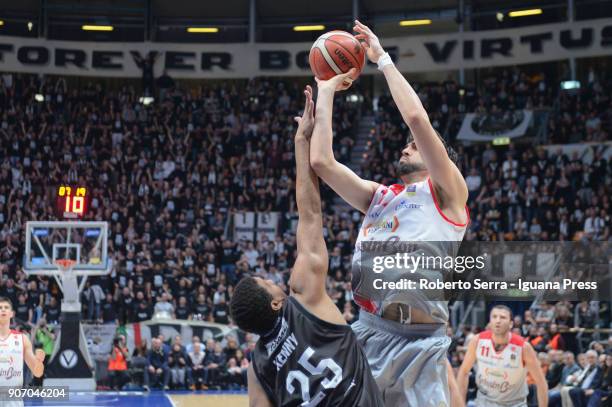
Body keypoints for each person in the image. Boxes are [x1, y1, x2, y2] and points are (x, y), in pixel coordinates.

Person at [310, 19, 468, 406]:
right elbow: (321, 162)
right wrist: (326, 88)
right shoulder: (380, 196)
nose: (407, 147)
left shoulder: (447, 193)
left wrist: (382, 59)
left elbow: (416, 118)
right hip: (367, 331)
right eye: (408, 145)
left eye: (415, 146)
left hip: (418, 342)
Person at [230, 86, 384, 406]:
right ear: (275, 304)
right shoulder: (303, 298)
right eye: (269, 284)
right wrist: (301, 143)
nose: (275, 282)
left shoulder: (257, 368)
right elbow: (310, 214)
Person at [457, 305, 548, 407]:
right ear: (490, 322)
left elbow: (541, 382)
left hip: (514, 404)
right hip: (484, 403)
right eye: (494, 317)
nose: (498, 320)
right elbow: (464, 372)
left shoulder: (523, 347)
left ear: (511, 324)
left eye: (503, 317)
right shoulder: (477, 341)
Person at [0, 297, 45, 392]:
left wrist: (39, 362)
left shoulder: (22, 339)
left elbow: (37, 372)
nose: (3, 309)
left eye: (6, 307)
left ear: (12, 314)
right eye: (0, 307)